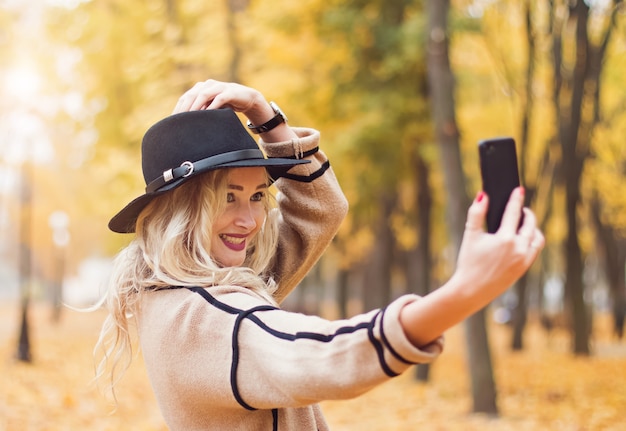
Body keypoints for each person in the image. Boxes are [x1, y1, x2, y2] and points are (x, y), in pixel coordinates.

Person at [96, 79, 544, 430]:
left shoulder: (188, 288)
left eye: (256, 197)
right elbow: (324, 356)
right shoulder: (205, 317)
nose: (250, 221)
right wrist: (465, 291)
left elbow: (320, 211)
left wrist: (267, 117)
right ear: (181, 209)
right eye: (228, 197)